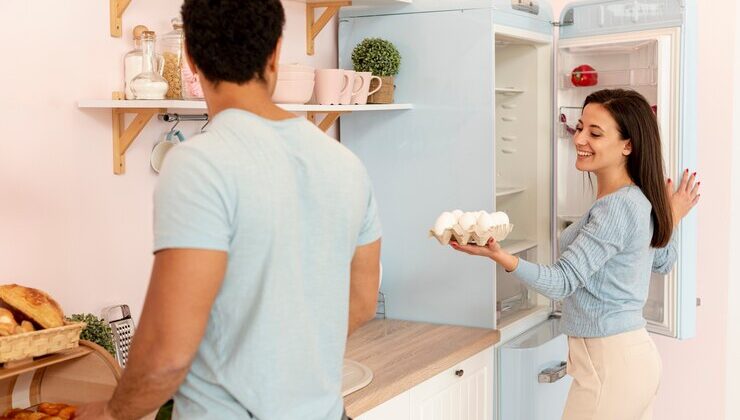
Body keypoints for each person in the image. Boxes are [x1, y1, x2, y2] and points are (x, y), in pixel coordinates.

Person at [78, 0, 381, 418]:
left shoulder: (198, 164)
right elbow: (363, 301)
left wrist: (112, 413)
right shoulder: (347, 165)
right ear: (276, 52)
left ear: (189, 57)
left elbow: (168, 350)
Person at [451, 89, 699, 420]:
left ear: (628, 145)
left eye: (595, 133)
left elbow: (562, 282)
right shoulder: (636, 200)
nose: (579, 138)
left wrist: (499, 255)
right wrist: (671, 218)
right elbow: (662, 261)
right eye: (580, 127)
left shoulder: (617, 208)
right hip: (629, 361)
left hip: (610, 365)